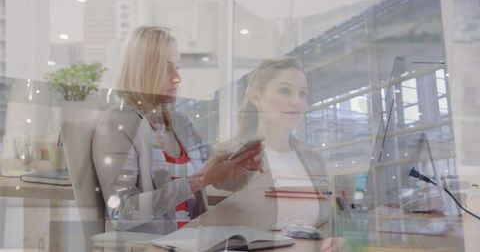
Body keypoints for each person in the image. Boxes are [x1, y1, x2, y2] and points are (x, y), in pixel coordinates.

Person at [92, 26, 263, 234]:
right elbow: (123, 212)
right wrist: (198, 182)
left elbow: (220, 180)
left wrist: (241, 167)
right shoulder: (117, 124)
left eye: (177, 68)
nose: (176, 78)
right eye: (166, 68)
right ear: (141, 69)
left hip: (193, 240)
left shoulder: (178, 123)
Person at [237, 57, 351, 252]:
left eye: (303, 93)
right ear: (256, 97)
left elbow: (328, 226)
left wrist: (337, 241)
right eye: (284, 90)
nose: (297, 101)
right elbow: (218, 235)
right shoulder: (232, 158)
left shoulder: (314, 160)